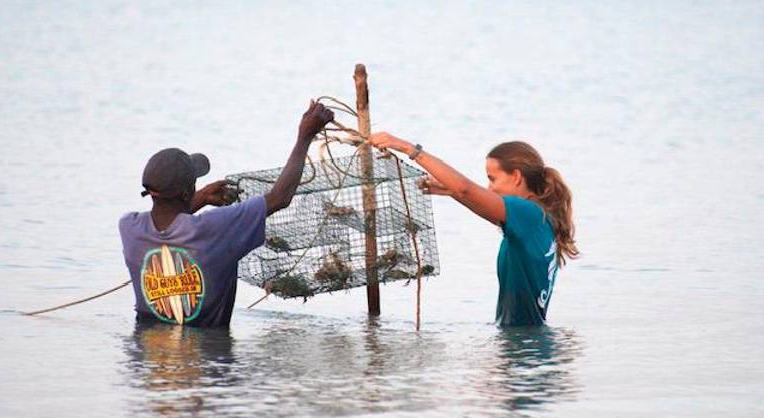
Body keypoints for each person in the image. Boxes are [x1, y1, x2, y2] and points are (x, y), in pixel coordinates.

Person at [119, 102, 334, 327]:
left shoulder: (129, 228)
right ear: (185, 193)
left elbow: (168, 222)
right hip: (210, 356)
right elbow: (279, 198)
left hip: (147, 352)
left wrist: (200, 197)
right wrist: (304, 137)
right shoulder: (215, 228)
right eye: (194, 183)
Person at [368, 133, 578, 326]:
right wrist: (452, 192)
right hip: (529, 341)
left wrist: (407, 148)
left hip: (522, 343)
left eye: (492, 178)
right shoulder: (537, 218)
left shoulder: (527, 214)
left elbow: (467, 189)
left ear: (516, 176)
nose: (490, 188)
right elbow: (472, 197)